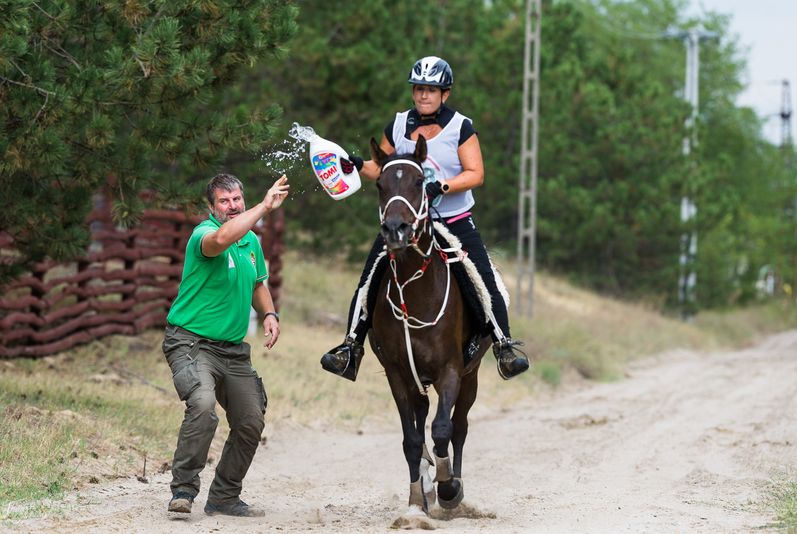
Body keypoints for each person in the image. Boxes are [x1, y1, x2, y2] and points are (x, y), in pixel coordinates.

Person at [320, 56, 529, 382]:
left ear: (444, 93)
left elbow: (476, 173)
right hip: (407, 221)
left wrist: (441, 185)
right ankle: (351, 347)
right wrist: (358, 163)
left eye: (431, 90)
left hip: (453, 219)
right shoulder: (400, 124)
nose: (423, 96)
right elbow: (382, 168)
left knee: (482, 279)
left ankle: (504, 346)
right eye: (418, 89)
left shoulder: (461, 127)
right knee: (370, 276)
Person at [163, 173, 289, 517]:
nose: (232, 206)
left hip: (232, 350)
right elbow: (221, 239)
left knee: (251, 420)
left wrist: (269, 314)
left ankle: (224, 497)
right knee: (202, 406)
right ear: (211, 206)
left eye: (237, 200)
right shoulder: (204, 235)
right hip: (191, 342)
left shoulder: (251, 243)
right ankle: (183, 491)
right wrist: (265, 206)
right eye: (224, 201)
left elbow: (258, 283)